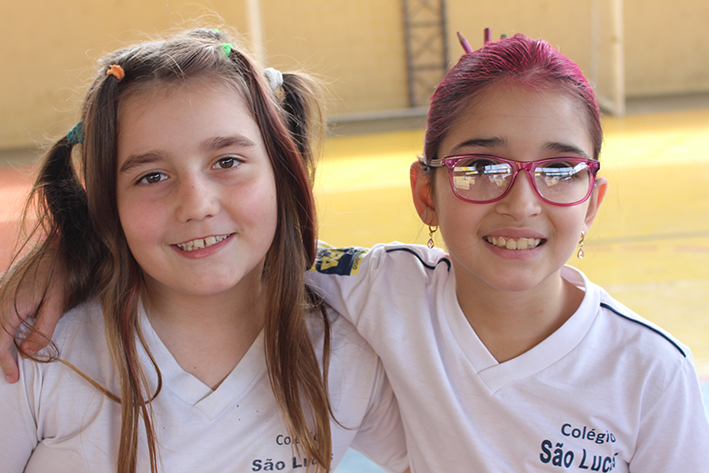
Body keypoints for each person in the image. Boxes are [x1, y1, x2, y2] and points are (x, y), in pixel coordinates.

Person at [0, 29, 408, 473]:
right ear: (107, 201)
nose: (196, 205)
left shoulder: (346, 352)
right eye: (152, 177)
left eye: (227, 162)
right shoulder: (35, 351)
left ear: (282, 169)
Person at [308, 32, 709, 471]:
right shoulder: (386, 287)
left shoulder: (652, 372)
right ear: (426, 193)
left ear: (592, 204)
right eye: (482, 167)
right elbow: (279, 256)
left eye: (559, 170)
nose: (521, 205)